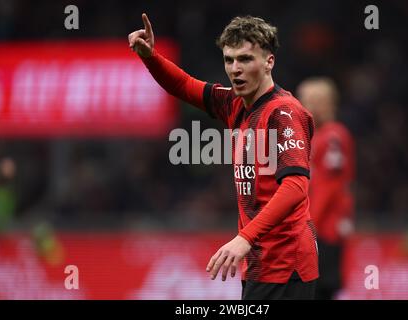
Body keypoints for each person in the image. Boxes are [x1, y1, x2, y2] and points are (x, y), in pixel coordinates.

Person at [129, 14, 319, 300]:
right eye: (229, 60)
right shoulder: (235, 104)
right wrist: (150, 56)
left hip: (286, 262)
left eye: (245, 59)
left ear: (269, 62)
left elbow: (295, 187)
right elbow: (183, 86)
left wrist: (244, 238)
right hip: (261, 262)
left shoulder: (284, 113)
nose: (235, 69)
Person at [296, 77, 355, 300]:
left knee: (318, 291)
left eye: (314, 100)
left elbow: (329, 187)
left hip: (325, 229)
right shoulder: (314, 137)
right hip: (317, 227)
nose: (307, 107)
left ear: (330, 104)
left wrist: (308, 227)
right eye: (304, 100)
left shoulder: (333, 136)